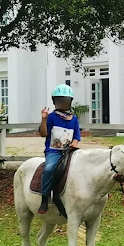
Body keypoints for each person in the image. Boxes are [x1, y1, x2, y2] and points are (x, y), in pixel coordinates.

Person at [37, 84, 81, 214]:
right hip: (54, 151)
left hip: (69, 151)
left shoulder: (74, 119)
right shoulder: (51, 117)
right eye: (59, 100)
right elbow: (43, 134)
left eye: (65, 100)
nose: (62, 102)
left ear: (69, 102)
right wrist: (44, 119)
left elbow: (77, 136)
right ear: (55, 101)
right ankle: (44, 198)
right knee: (49, 168)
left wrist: (74, 143)